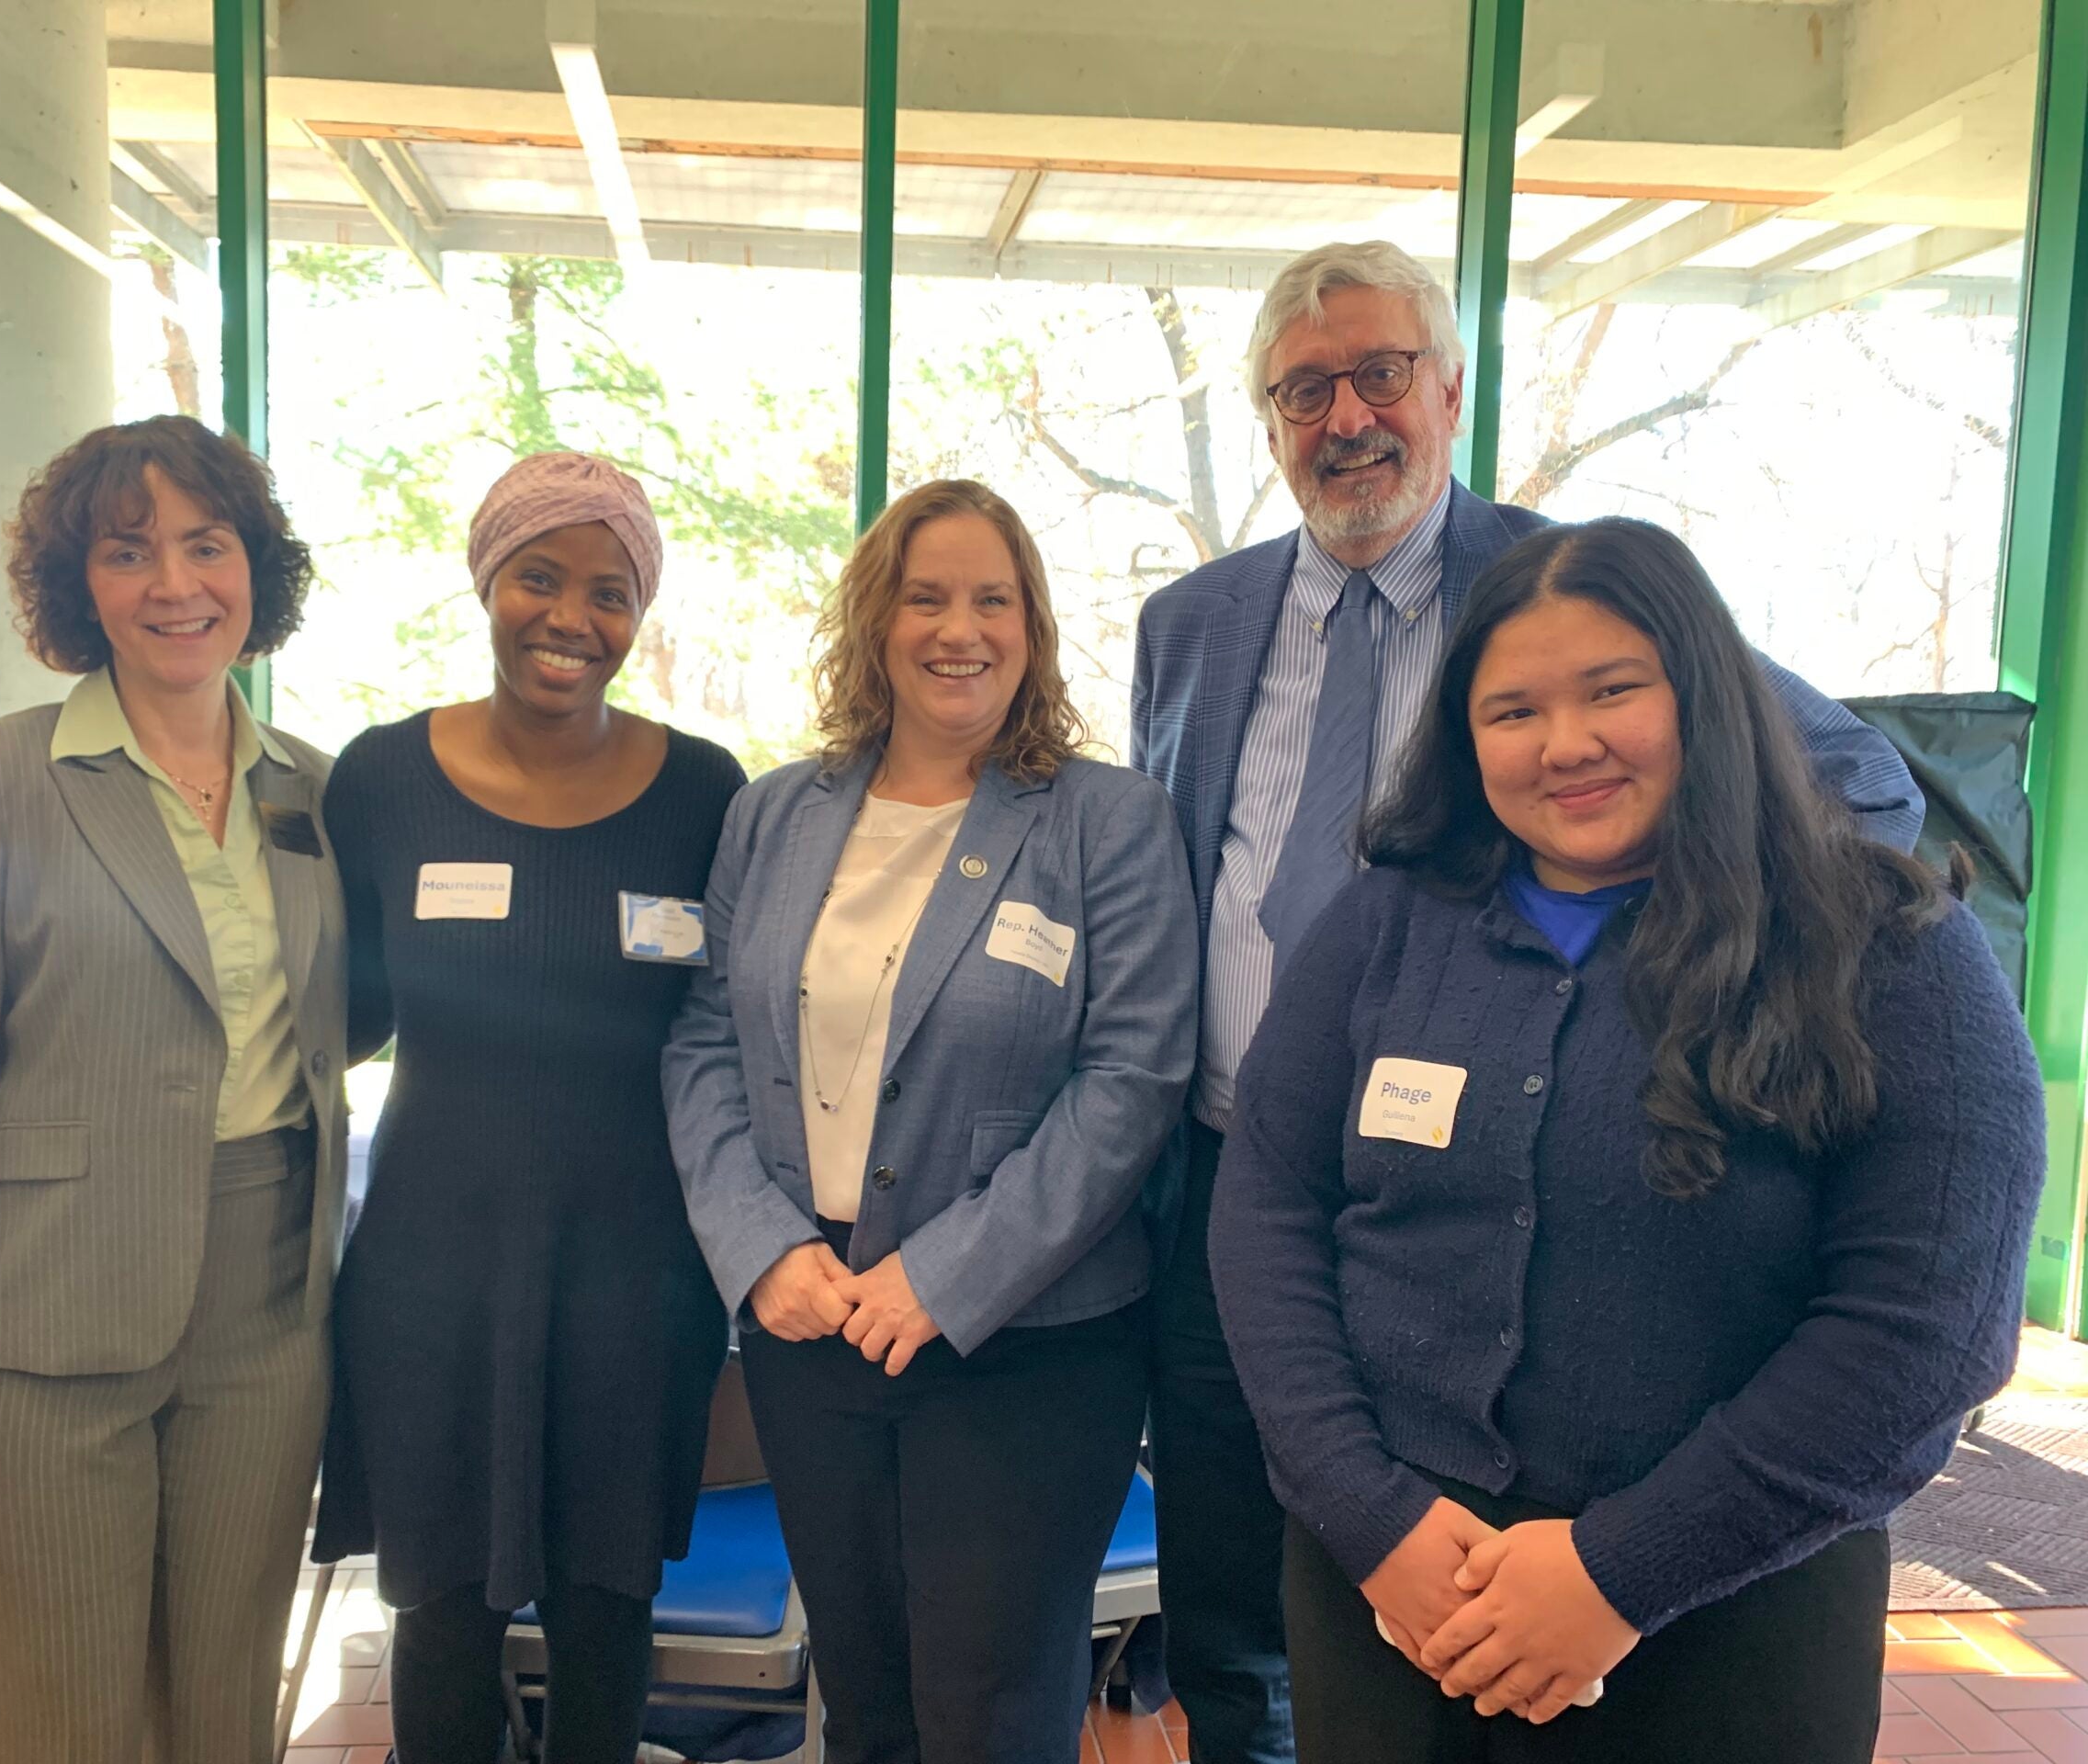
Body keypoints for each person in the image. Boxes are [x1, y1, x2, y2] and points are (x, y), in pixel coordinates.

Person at [1126, 240, 1928, 1764]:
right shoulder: (1195, 622)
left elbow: (1857, 785)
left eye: (1379, 375)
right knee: (1241, 1571)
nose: (1346, 415)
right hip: (1241, 1172)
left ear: (1448, 389)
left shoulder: (1572, 588)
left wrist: (1680, 994)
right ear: (1268, 420)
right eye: (1305, 389)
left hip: (1532, 1152)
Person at [1211, 515, 2042, 1762]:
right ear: (1463, 736)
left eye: (1613, 691)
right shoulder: (1386, 925)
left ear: (1703, 692)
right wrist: (1368, 1516)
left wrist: (1615, 1577)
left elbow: (1926, 1329)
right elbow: (1268, 1207)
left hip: (1730, 1612)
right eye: (1512, 711)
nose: (1567, 744)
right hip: (1392, 1602)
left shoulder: (1888, 946)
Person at [0, 414, 349, 1762]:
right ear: (82, 587)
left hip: (264, 1318)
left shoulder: (314, 792)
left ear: (256, 569)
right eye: (129, 553)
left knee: (223, 1702)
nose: (175, 584)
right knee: (54, 1711)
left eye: (206, 544)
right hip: (43, 1323)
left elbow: (322, 1031)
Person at [664, 479, 1195, 1763]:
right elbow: (702, 1041)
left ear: (1034, 627)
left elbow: (1133, 1078)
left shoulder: (1105, 820)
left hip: (1025, 1348)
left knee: (993, 1714)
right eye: (927, 596)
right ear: (875, 623)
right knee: (868, 1699)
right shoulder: (775, 812)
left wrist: (946, 1277)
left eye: (993, 599)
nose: (961, 629)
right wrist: (761, 1248)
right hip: (812, 1324)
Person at [311, 452, 742, 1764]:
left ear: (639, 612)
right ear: (487, 581)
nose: (571, 619)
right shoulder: (381, 779)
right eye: (538, 578)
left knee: (610, 1603)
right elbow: (342, 1020)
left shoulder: (704, 794)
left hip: (635, 1269)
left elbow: (732, 1033)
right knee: (439, 1605)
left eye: (610, 592)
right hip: (434, 1266)